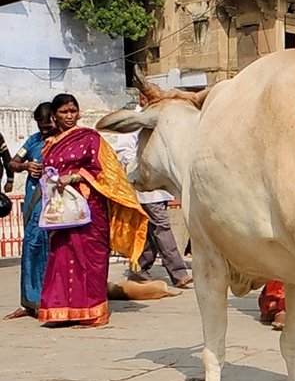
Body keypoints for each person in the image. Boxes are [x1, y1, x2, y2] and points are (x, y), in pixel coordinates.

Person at [38, 93, 148, 327]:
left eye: (73, 111)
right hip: (60, 208)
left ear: (79, 113)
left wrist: (75, 176)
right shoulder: (50, 145)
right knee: (61, 256)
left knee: (90, 258)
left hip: (89, 207)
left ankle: (92, 311)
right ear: (55, 116)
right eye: (64, 112)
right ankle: (62, 310)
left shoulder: (90, 138)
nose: (69, 116)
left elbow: (108, 172)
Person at [113, 93, 192, 289]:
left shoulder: (163, 118)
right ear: (142, 99)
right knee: (162, 226)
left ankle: (139, 269)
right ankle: (179, 272)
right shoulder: (135, 121)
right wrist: (141, 168)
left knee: (151, 230)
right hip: (145, 186)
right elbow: (125, 153)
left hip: (162, 186)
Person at [4, 103, 56, 320]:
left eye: (48, 127)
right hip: (34, 203)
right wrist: (26, 167)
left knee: (55, 252)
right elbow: (12, 163)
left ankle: (54, 302)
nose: (45, 131)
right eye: (41, 127)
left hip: (57, 205)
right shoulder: (33, 141)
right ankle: (30, 302)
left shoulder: (66, 140)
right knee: (32, 248)